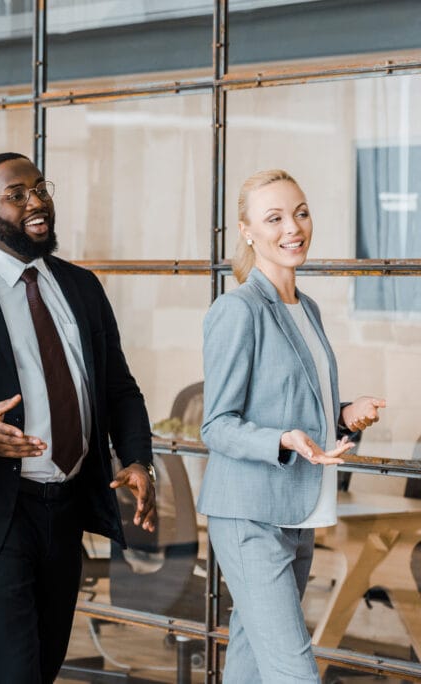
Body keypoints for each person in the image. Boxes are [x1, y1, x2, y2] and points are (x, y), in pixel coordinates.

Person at [0, 152, 157, 683]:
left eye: (40, 188)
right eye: (16, 195)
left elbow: (118, 389)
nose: (36, 202)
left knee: (44, 664)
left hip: (66, 508)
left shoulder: (82, 287)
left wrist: (137, 459)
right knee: (14, 670)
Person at [198, 169, 386, 682]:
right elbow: (215, 425)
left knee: (254, 659)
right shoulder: (237, 309)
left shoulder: (309, 309)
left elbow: (294, 400)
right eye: (274, 217)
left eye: (300, 212)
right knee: (294, 671)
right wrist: (281, 440)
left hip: (296, 513)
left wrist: (346, 413)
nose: (293, 228)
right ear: (247, 230)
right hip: (250, 516)